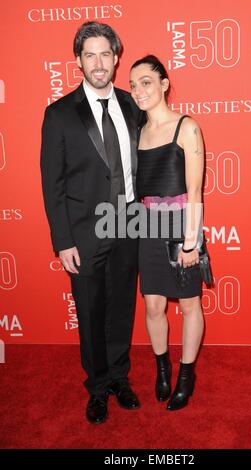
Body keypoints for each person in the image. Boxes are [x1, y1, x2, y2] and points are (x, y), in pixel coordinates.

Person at [40, 21, 143, 424]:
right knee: (89, 311)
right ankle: (97, 387)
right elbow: (53, 184)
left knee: (121, 308)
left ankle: (120, 378)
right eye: (90, 55)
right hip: (84, 232)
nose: (98, 63)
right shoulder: (60, 114)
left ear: (117, 58)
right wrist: (63, 240)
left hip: (130, 224)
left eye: (105, 54)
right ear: (78, 61)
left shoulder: (134, 105)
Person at [129, 55, 205, 411]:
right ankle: (162, 367)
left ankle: (186, 375)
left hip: (180, 225)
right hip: (148, 225)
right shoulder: (136, 132)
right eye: (133, 84)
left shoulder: (186, 127)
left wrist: (192, 242)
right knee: (154, 305)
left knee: (189, 304)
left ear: (164, 84)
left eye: (146, 81)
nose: (138, 90)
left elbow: (195, 192)